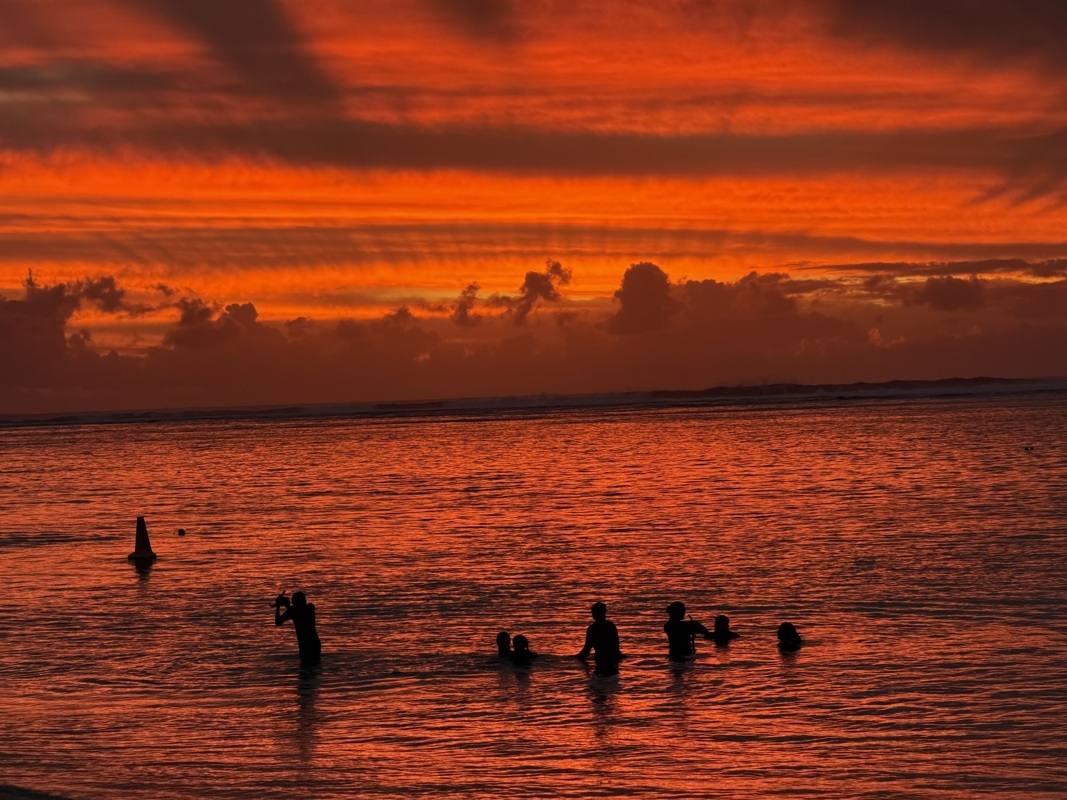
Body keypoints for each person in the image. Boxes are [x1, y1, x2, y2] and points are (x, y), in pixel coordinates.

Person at [575, 601, 622, 675]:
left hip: (601, 660)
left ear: (594, 614)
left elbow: (586, 651)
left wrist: (574, 659)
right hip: (614, 660)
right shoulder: (611, 626)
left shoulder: (593, 629)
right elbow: (616, 647)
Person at [275, 590, 322, 664]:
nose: (298, 604)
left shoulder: (310, 607)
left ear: (305, 601)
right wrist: (278, 606)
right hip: (304, 646)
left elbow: (299, 612)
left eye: (299, 602)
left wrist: (286, 605)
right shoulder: (292, 611)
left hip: (313, 644)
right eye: (297, 602)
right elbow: (278, 622)